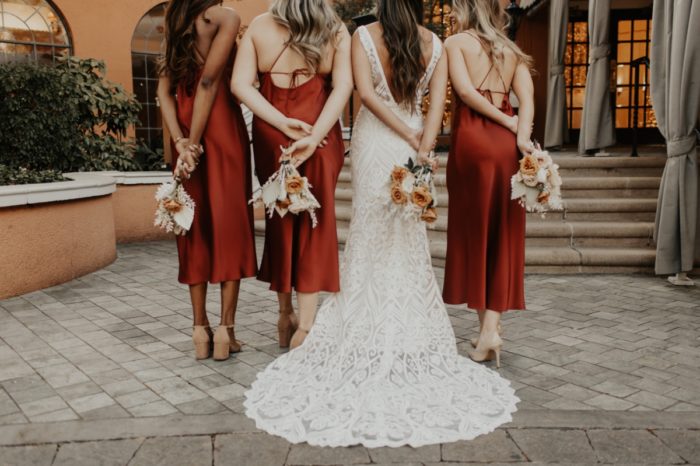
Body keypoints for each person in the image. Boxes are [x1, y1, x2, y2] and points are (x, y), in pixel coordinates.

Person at [242, 0, 518, 448]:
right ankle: (409, 326)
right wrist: (423, 146)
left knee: (371, 229)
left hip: (376, 141)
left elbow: (365, 97)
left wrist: (409, 137)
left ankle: (348, 318)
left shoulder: (361, 37)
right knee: (407, 233)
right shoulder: (437, 43)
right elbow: (435, 106)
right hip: (410, 141)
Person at [231, 0, 352, 349]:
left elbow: (241, 85)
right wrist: (314, 137)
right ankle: (308, 326)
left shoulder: (258, 26)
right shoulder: (335, 28)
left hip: (273, 133)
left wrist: (280, 122)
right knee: (316, 223)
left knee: (279, 219)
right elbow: (343, 88)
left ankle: (285, 315)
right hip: (320, 131)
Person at [157, 0, 256, 361]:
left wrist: (180, 141)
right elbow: (210, 81)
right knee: (230, 225)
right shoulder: (226, 16)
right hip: (219, 129)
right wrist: (194, 143)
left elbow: (163, 92)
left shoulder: (176, 19)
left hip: (183, 128)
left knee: (191, 224)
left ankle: (200, 330)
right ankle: (225, 333)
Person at [443, 0, 535, 367]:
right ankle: (488, 331)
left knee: (475, 235)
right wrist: (520, 133)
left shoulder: (455, 44)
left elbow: (465, 93)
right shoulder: (512, 51)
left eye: (453, 6)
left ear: (467, 9)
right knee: (502, 235)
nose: (449, 13)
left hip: (472, 144)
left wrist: (508, 123)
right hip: (505, 148)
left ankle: (490, 332)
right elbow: (526, 101)